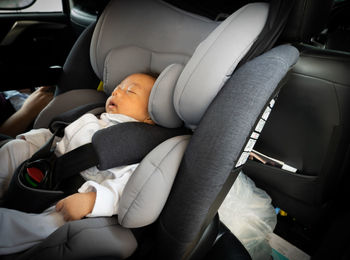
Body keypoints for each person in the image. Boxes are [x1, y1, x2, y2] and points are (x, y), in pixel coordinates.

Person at [0, 73, 156, 255]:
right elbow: (59, 137)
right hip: (52, 167)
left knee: (52, 222)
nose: (118, 92)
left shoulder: (137, 145)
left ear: (149, 116)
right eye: (118, 87)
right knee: (15, 148)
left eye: (130, 91)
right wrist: (34, 141)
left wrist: (92, 201)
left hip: (76, 196)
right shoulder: (93, 116)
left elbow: (128, 187)